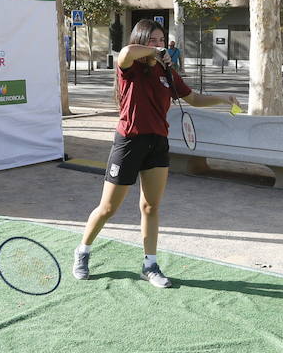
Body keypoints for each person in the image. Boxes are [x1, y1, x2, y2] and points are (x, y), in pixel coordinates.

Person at [74, 19, 239, 288]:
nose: (159, 45)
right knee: (107, 208)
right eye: (153, 40)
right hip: (129, 142)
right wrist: (151, 52)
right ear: (141, 41)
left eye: (162, 41)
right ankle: (82, 252)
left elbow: (193, 98)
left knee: (150, 206)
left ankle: (149, 265)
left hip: (157, 143)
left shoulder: (167, 72)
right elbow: (125, 53)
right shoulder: (131, 67)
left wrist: (224, 99)